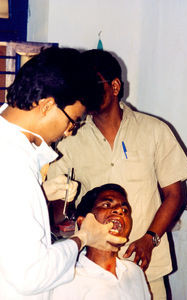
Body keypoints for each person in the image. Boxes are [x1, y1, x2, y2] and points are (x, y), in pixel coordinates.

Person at [47, 49, 187, 299]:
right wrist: (65, 217)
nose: (85, 93)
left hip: (147, 263)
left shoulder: (154, 131)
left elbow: (175, 195)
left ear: (114, 86)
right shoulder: (70, 139)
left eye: (92, 84)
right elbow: (55, 204)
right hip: (92, 270)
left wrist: (150, 239)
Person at [0, 47, 126, 300]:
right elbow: (31, 275)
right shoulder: (13, 164)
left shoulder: (13, 152)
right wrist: (83, 238)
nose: (70, 131)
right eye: (73, 120)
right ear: (47, 106)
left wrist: (40, 194)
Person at [52, 183, 151, 300]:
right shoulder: (70, 279)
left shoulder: (134, 272)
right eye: (106, 204)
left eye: (125, 210)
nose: (119, 210)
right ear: (82, 222)